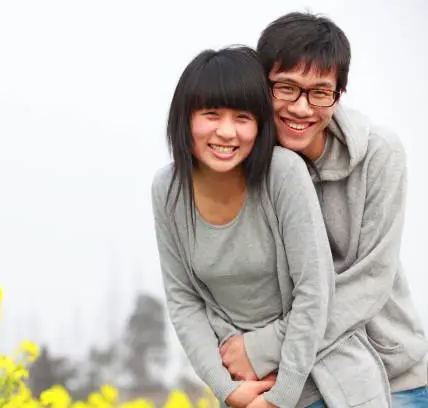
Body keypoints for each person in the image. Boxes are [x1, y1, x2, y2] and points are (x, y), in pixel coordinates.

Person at [151, 46, 389, 408]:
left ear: (260, 124)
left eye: (242, 117)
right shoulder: (168, 189)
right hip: (245, 391)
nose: (227, 132)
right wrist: (225, 388)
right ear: (185, 119)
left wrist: (282, 397)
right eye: (211, 115)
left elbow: (315, 289)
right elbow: (183, 299)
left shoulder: (283, 172)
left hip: (328, 387)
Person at [219, 12, 428, 408]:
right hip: (292, 385)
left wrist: (266, 346)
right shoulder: (241, 165)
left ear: (338, 95)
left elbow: (371, 281)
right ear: (261, 87)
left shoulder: (381, 155)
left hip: (392, 377)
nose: (302, 108)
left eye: (319, 92)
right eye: (286, 88)